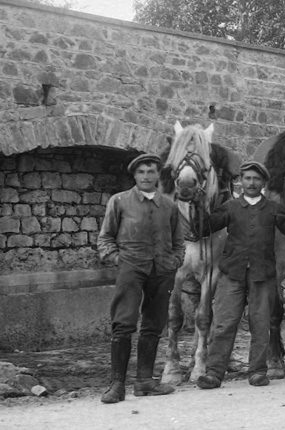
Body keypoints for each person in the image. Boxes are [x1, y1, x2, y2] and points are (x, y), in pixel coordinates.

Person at [193, 161, 285, 389]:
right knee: (224, 323)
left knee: (260, 323)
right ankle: (214, 372)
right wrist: (199, 207)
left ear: (263, 183)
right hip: (232, 272)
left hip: (262, 274)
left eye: (256, 179)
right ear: (240, 181)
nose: (251, 183)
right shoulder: (230, 207)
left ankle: (257, 371)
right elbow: (205, 226)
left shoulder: (274, 209)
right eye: (247, 178)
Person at [96, 153, 185, 403]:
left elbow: (179, 242)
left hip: (162, 271)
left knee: (154, 323)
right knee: (123, 323)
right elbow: (105, 239)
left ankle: (145, 381)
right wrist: (119, 260)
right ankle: (117, 385)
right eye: (141, 172)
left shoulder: (169, 205)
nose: (146, 176)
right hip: (131, 269)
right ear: (134, 176)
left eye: (151, 172)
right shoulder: (120, 201)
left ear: (158, 175)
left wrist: (174, 261)